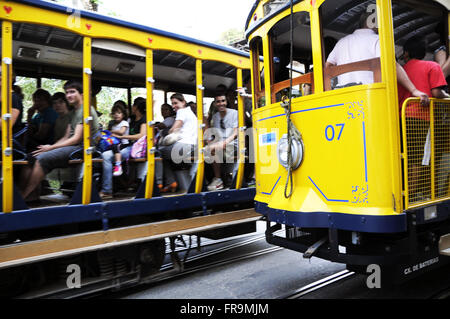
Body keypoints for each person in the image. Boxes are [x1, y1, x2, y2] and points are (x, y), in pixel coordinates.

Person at [325, 10, 429, 105]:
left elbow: (328, 66)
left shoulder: (341, 42)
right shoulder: (379, 40)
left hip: (344, 99)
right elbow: (393, 66)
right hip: (370, 98)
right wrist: (414, 90)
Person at [20, 80, 100, 201]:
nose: (69, 95)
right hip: (73, 146)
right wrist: (48, 147)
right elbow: (66, 136)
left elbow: (76, 138)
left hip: (83, 147)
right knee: (30, 157)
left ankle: (23, 196)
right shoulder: (73, 112)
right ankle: (33, 195)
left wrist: (50, 148)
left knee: (43, 158)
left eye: (72, 92)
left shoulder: (86, 110)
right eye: (67, 92)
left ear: (82, 94)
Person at [398, 35, 449, 201]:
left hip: (401, 117)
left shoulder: (400, 70)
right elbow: (435, 93)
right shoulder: (432, 66)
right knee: (419, 158)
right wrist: (446, 95)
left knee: (404, 155)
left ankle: (404, 191)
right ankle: (412, 195)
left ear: (406, 53)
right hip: (422, 118)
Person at [100, 98, 146, 199]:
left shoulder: (144, 119)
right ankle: (107, 190)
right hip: (121, 145)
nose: (131, 107)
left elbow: (141, 135)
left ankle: (119, 170)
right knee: (105, 155)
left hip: (134, 147)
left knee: (118, 155)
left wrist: (122, 137)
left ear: (136, 107)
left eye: (133, 105)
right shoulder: (131, 119)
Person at [158, 93, 197, 193]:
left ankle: (161, 183)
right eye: (172, 104)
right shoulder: (190, 113)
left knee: (158, 152)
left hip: (184, 145)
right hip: (192, 145)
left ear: (183, 102)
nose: (174, 106)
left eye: (176, 103)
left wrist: (168, 132)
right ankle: (171, 181)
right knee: (164, 153)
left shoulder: (182, 112)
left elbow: (174, 129)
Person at [205, 94, 238, 191]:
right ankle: (214, 179)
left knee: (212, 150)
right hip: (220, 144)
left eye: (223, 101)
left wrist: (225, 142)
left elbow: (236, 132)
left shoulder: (234, 113)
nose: (221, 103)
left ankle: (218, 180)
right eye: (218, 101)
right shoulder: (215, 117)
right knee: (207, 149)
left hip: (232, 144)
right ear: (215, 104)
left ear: (226, 102)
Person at [154, 103, 176, 189]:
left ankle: (158, 183)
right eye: (162, 109)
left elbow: (161, 126)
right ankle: (171, 182)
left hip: (170, 146)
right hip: (163, 145)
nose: (163, 111)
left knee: (157, 154)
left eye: (166, 109)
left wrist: (152, 125)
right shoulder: (164, 120)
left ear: (171, 111)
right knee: (164, 160)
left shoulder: (170, 119)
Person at [107, 100, 129, 177]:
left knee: (116, 146)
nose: (116, 115)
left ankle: (118, 165)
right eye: (114, 113)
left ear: (123, 115)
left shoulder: (124, 123)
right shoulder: (113, 124)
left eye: (119, 113)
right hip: (114, 142)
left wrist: (110, 131)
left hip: (123, 143)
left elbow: (121, 132)